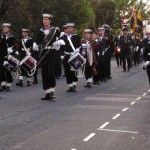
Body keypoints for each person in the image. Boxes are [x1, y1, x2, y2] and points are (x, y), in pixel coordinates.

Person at [33, 13, 60, 100]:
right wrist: (34, 46)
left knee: (50, 72)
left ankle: (52, 91)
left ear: (50, 21)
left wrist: (58, 44)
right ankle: (47, 92)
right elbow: (37, 41)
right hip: (43, 54)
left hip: (52, 53)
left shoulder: (55, 30)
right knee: (44, 74)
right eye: (43, 20)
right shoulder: (40, 31)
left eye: (46, 20)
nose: (44, 21)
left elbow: (58, 40)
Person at [60, 23, 81, 92]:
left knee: (73, 70)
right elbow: (61, 48)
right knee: (67, 71)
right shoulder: (63, 37)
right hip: (66, 56)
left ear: (73, 29)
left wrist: (78, 49)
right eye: (68, 28)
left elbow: (79, 45)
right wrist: (61, 55)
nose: (69, 29)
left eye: (71, 28)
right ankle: (70, 85)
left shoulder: (76, 36)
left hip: (74, 55)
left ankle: (74, 84)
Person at [1, 23, 16, 91]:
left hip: (9, 55)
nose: (5, 29)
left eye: (6, 27)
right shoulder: (1, 36)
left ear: (9, 29)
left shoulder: (11, 37)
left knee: (7, 69)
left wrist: (13, 51)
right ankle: (3, 82)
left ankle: (9, 83)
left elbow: (13, 46)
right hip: (2, 54)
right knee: (1, 69)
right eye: (4, 27)